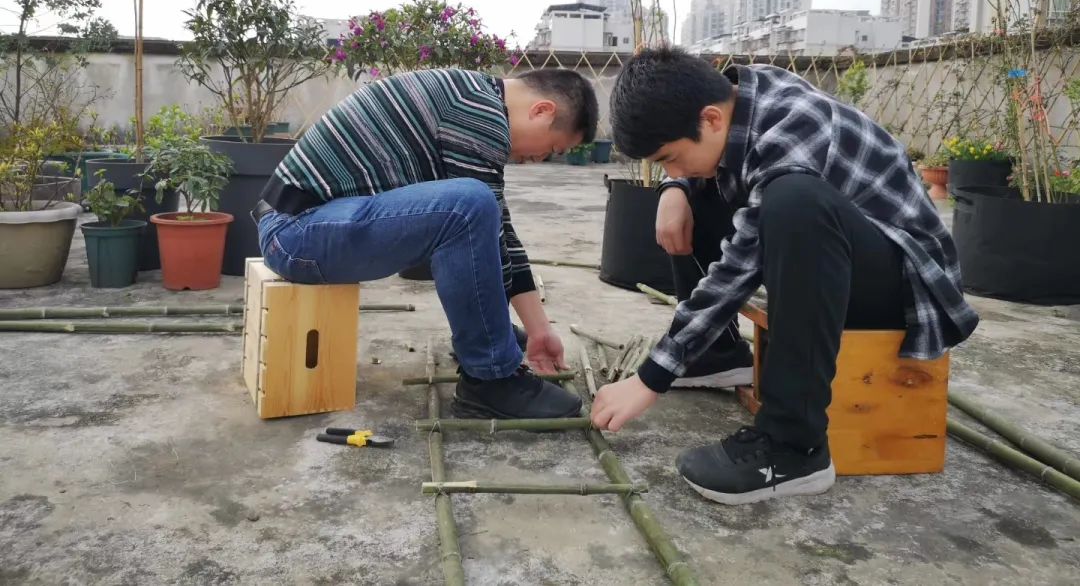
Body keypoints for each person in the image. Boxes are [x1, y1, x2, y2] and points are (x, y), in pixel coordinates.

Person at [590, 49, 978, 505]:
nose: (670, 169)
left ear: (711, 119)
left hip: (905, 285)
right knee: (702, 191)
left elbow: (740, 265)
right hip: (841, 261)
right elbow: (719, 189)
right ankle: (717, 356)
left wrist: (651, 376)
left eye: (670, 158)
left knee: (794, 199)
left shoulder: (796, 126)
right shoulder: (743, 97)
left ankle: (795, 445)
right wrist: (675, 188)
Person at [253, 67, 599, 420]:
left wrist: (540, 330)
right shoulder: (480, 112)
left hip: (312, 224)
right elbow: (485, 224)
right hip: (297, 234)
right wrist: (524, 332)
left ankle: (484, 339)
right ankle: (490, 381)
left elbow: (499, 229)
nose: (540, 158)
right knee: (469, 204)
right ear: (542, 111)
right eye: (553, 148)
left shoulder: (474, 95)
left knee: (474, 208)